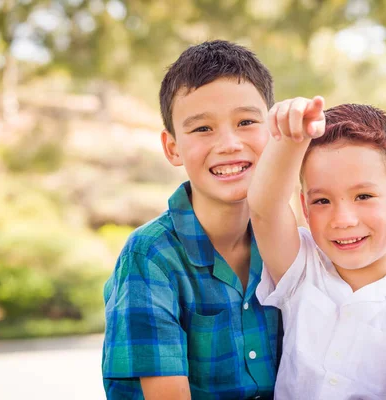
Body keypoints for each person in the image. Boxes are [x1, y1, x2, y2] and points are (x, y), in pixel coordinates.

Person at [248, 97, 386, 400]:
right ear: (304, 206)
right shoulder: (302, 267)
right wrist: (289, 140)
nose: (343, 220)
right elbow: (265, 209)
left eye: (364, 196)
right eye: (322, 201)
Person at [102, 40, 281, 400]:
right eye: (203, 129)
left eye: (246, 122)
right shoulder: (150, 257)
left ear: (273, 131)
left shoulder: (287, 246)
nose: (229, 143)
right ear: (172, 148)